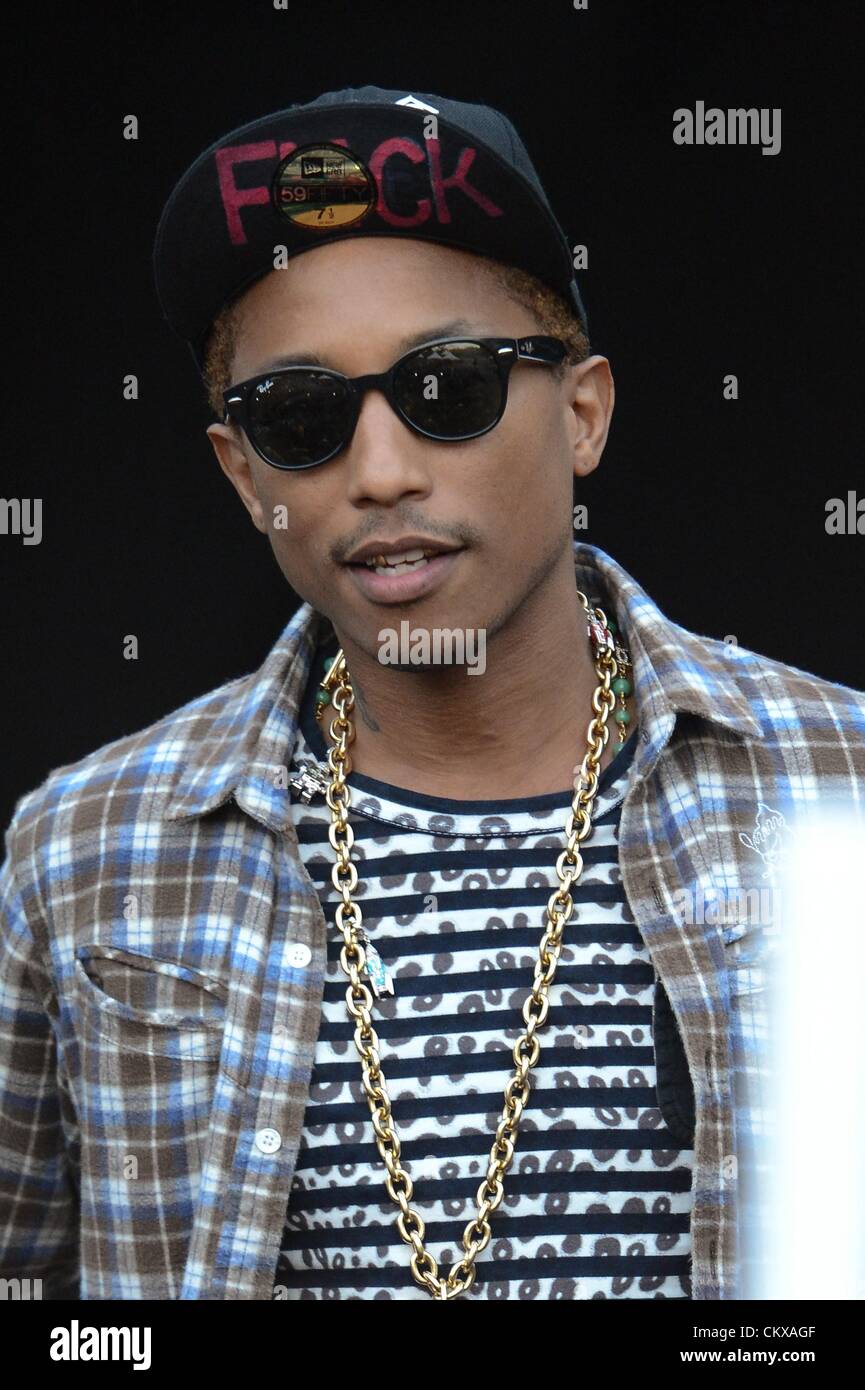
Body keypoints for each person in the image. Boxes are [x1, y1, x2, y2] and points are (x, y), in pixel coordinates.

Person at [1, 85, 863, 1303]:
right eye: (300, 416)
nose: (382, 471)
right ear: (243, 476)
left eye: (446, 387)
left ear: (582, 414)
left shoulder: (838, 790)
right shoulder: (91, 849)